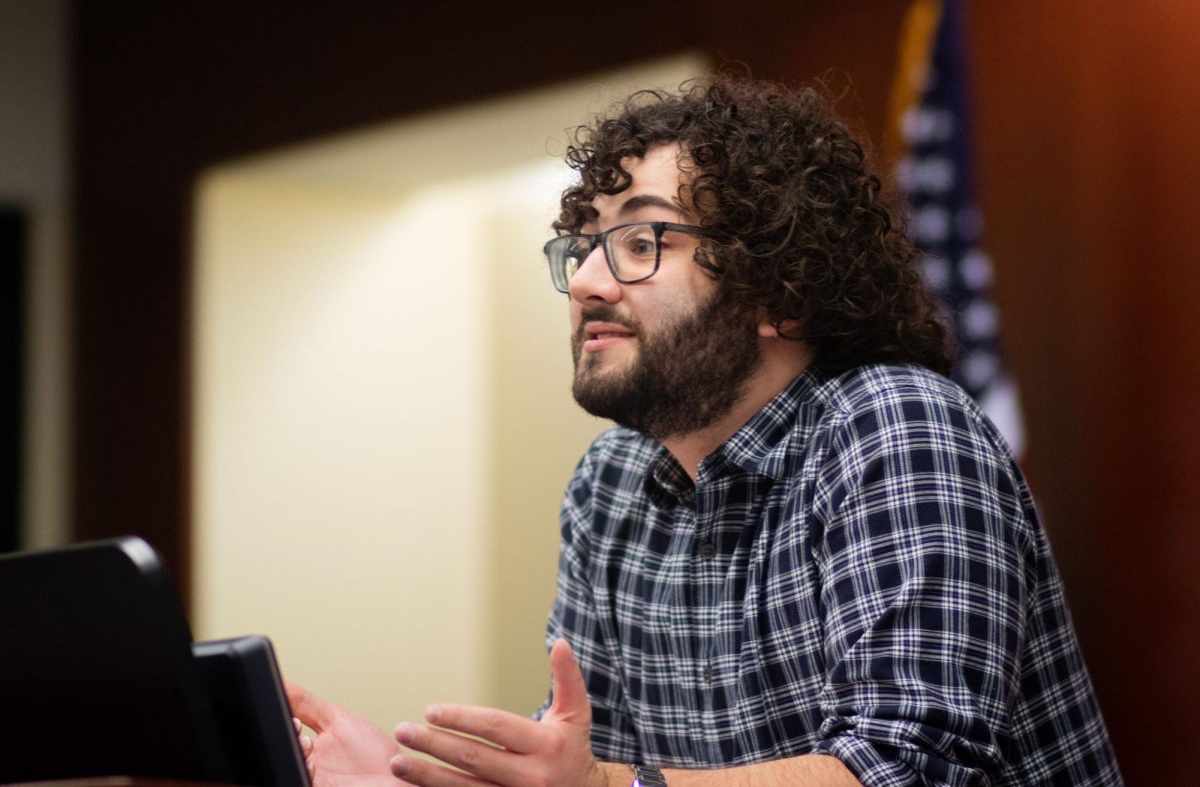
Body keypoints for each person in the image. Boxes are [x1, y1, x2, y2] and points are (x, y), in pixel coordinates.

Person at [287, 75, 1122, 786]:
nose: (584, 282)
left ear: (781, 292)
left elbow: (907, 767)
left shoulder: (896, 425)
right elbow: (583, 761)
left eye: (640, 241)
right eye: (581, 247)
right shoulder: (610, 483)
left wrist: (610, 784)